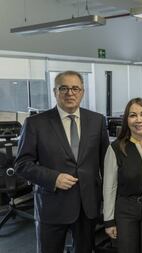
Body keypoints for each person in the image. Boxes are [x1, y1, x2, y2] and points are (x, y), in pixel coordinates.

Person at [15, 71, 109, 253]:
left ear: (82, 92)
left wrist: (107, 200)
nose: (70, 93)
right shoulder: (35, 123)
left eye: (75, 88)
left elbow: (105, 164)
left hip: (87, 205)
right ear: (55, 91)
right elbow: (22, 164)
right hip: (52, 204)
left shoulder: (96, 121)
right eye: (63, 88)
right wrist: (53, 178)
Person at [103, 98, 142, 253]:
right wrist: (109, 221)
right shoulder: (116, 148)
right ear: (126, 119)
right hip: (126, 208)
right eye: (133, 115)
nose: (139, 120)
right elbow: (109, 187)